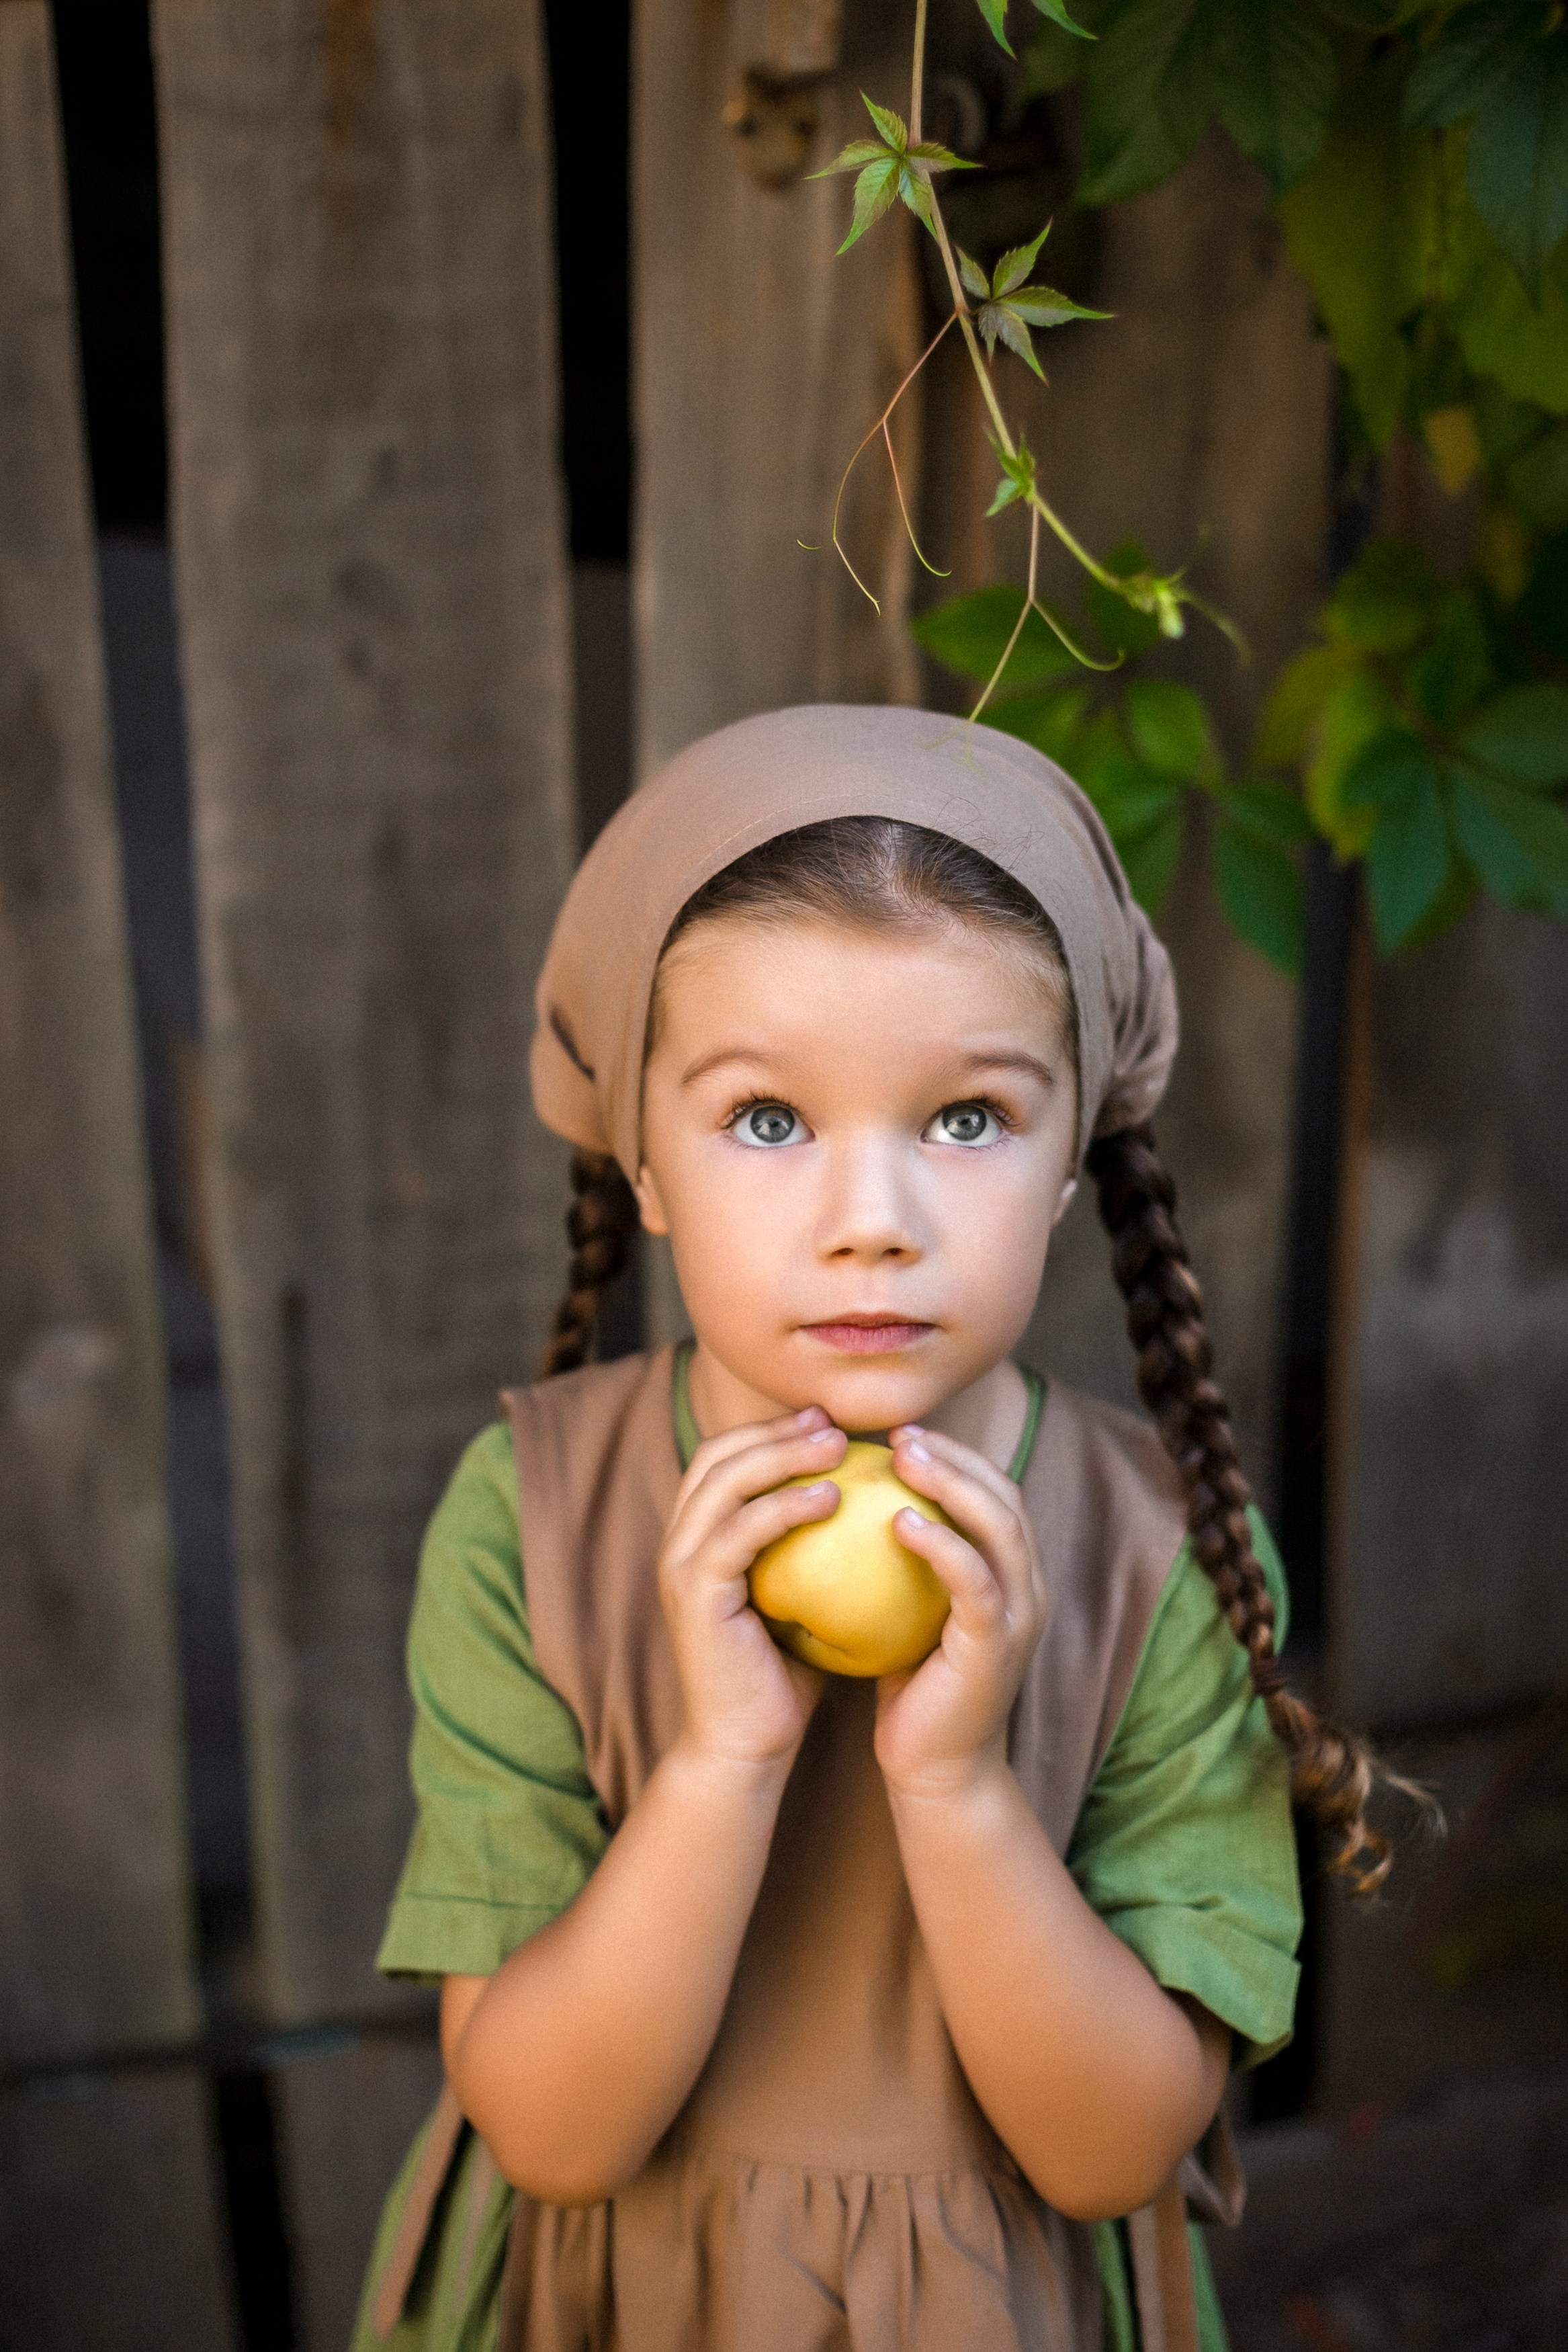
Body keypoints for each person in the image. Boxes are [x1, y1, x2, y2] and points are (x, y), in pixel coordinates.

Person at [351, 705, 1385, 2352]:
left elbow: (1115, 2147)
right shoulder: (528, 1527)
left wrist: (956, 1785)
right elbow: (549, 2131)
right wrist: (721, 1768)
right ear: (647, 1165)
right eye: (768, 1118)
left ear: (1066, 1162)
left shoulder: (1166, 1557)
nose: (871, 1226)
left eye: (966, 1118)